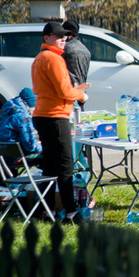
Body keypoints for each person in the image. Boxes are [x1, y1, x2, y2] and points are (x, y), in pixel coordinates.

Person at [32, 21, 90, 222]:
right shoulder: (53, 59)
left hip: (42, 114)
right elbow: (64, 91)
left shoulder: (40, 57)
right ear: (46, 37)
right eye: (58, 36)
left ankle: (46, 210)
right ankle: (72, 213)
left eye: (64, 36)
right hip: (55, 116)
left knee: (49, 166)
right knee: (65, 167)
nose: (63, 39)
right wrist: (80, 94)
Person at [0, 87, 42, 155]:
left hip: (2, 153)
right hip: (15, 156)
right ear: (31, 104)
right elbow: (31, 146)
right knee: (51, 154)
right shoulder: (23, 117)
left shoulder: (9, 110)